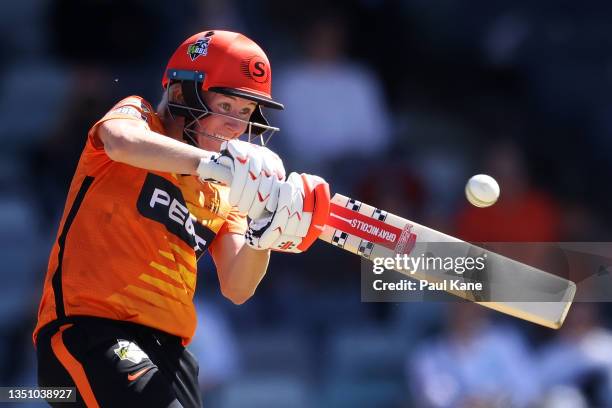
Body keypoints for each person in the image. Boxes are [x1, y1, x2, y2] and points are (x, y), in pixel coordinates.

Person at [33, 30, 330, 407]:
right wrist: (212, 166)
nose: (236, 126)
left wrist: (264, 231)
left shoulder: (226, 191)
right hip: (90, 331)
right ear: (180, 94)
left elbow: (238, 287)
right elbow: (119, 141)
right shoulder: (138, 116)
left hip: (171, 352)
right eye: (225, 106)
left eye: (244, 113)